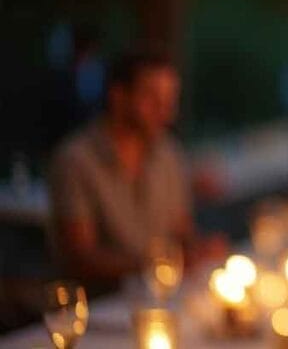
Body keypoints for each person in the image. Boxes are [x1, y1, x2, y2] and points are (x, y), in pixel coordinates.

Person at [48, 51, 196, 290]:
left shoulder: (168, 153)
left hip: (161, 296)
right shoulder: (75, 160)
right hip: (102, 307)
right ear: (118, 96)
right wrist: (154, 264)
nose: (166, 111)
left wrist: (198, 249)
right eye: (152, 98)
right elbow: (79, 258)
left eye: (170, 99)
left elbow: (182, 232)